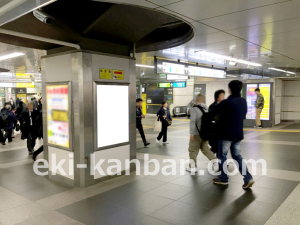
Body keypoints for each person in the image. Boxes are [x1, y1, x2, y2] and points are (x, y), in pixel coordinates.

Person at [212, 80, 254, 189]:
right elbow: (243, 115)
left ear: (229, 89)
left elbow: (212, 112)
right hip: (238, 134)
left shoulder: (226, 102)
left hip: (226, 135)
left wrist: (220, 102)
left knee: (222, 156)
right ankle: (248, 177)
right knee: (237, 156)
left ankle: (223, 179)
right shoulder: (243, 101)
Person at [186, 94, 218, 173]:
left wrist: (191, 133)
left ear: (196, 100)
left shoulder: (194, 109)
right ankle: (216, 163)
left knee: (193, 150)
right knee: (205, 149)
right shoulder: (206, 108)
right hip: (205, 133)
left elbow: (193, 122)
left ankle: (193, 167)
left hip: (197, 134)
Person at [209, 90, 225, 157]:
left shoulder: (223, 105)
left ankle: (218, 161)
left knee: (218, 148)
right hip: (215, 130)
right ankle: (217, 161)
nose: (223, 97)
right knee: (217, 147)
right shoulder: (213, 106)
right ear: (217, 97)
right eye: (222, 95)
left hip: (221, 130)